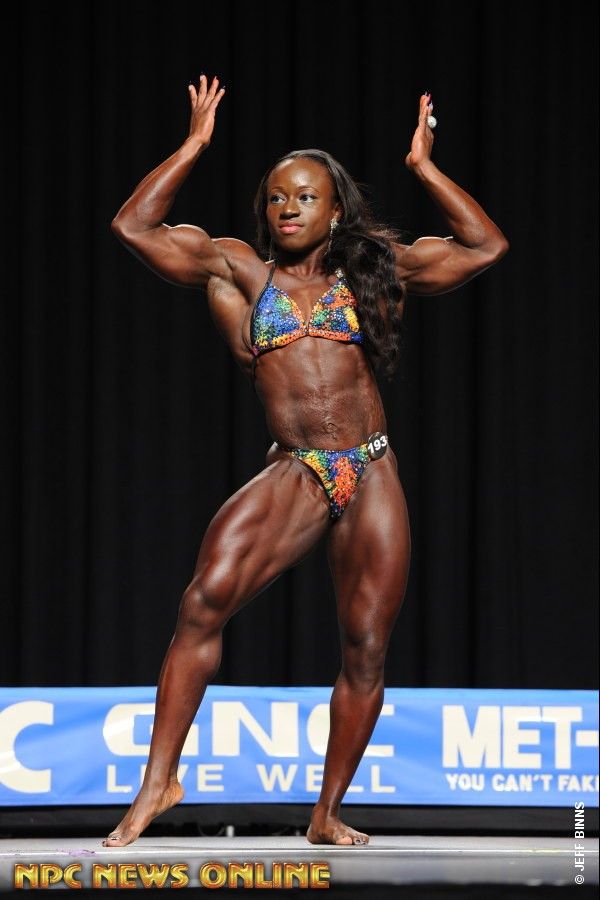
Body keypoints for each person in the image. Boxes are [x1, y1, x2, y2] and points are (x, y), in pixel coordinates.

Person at [103, 75, 508, 848]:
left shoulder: (373, 269)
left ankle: (327, 813)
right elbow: (133, 226)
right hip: (300, 468)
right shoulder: (235, 269)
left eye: (305, 197)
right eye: (276, 198)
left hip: (372, 471)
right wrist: (193, 145)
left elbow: (486, 247)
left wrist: (423, 168)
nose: (287, 207)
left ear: (335, 211)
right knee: (203, 603)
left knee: (366, 648)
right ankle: (159, 781)